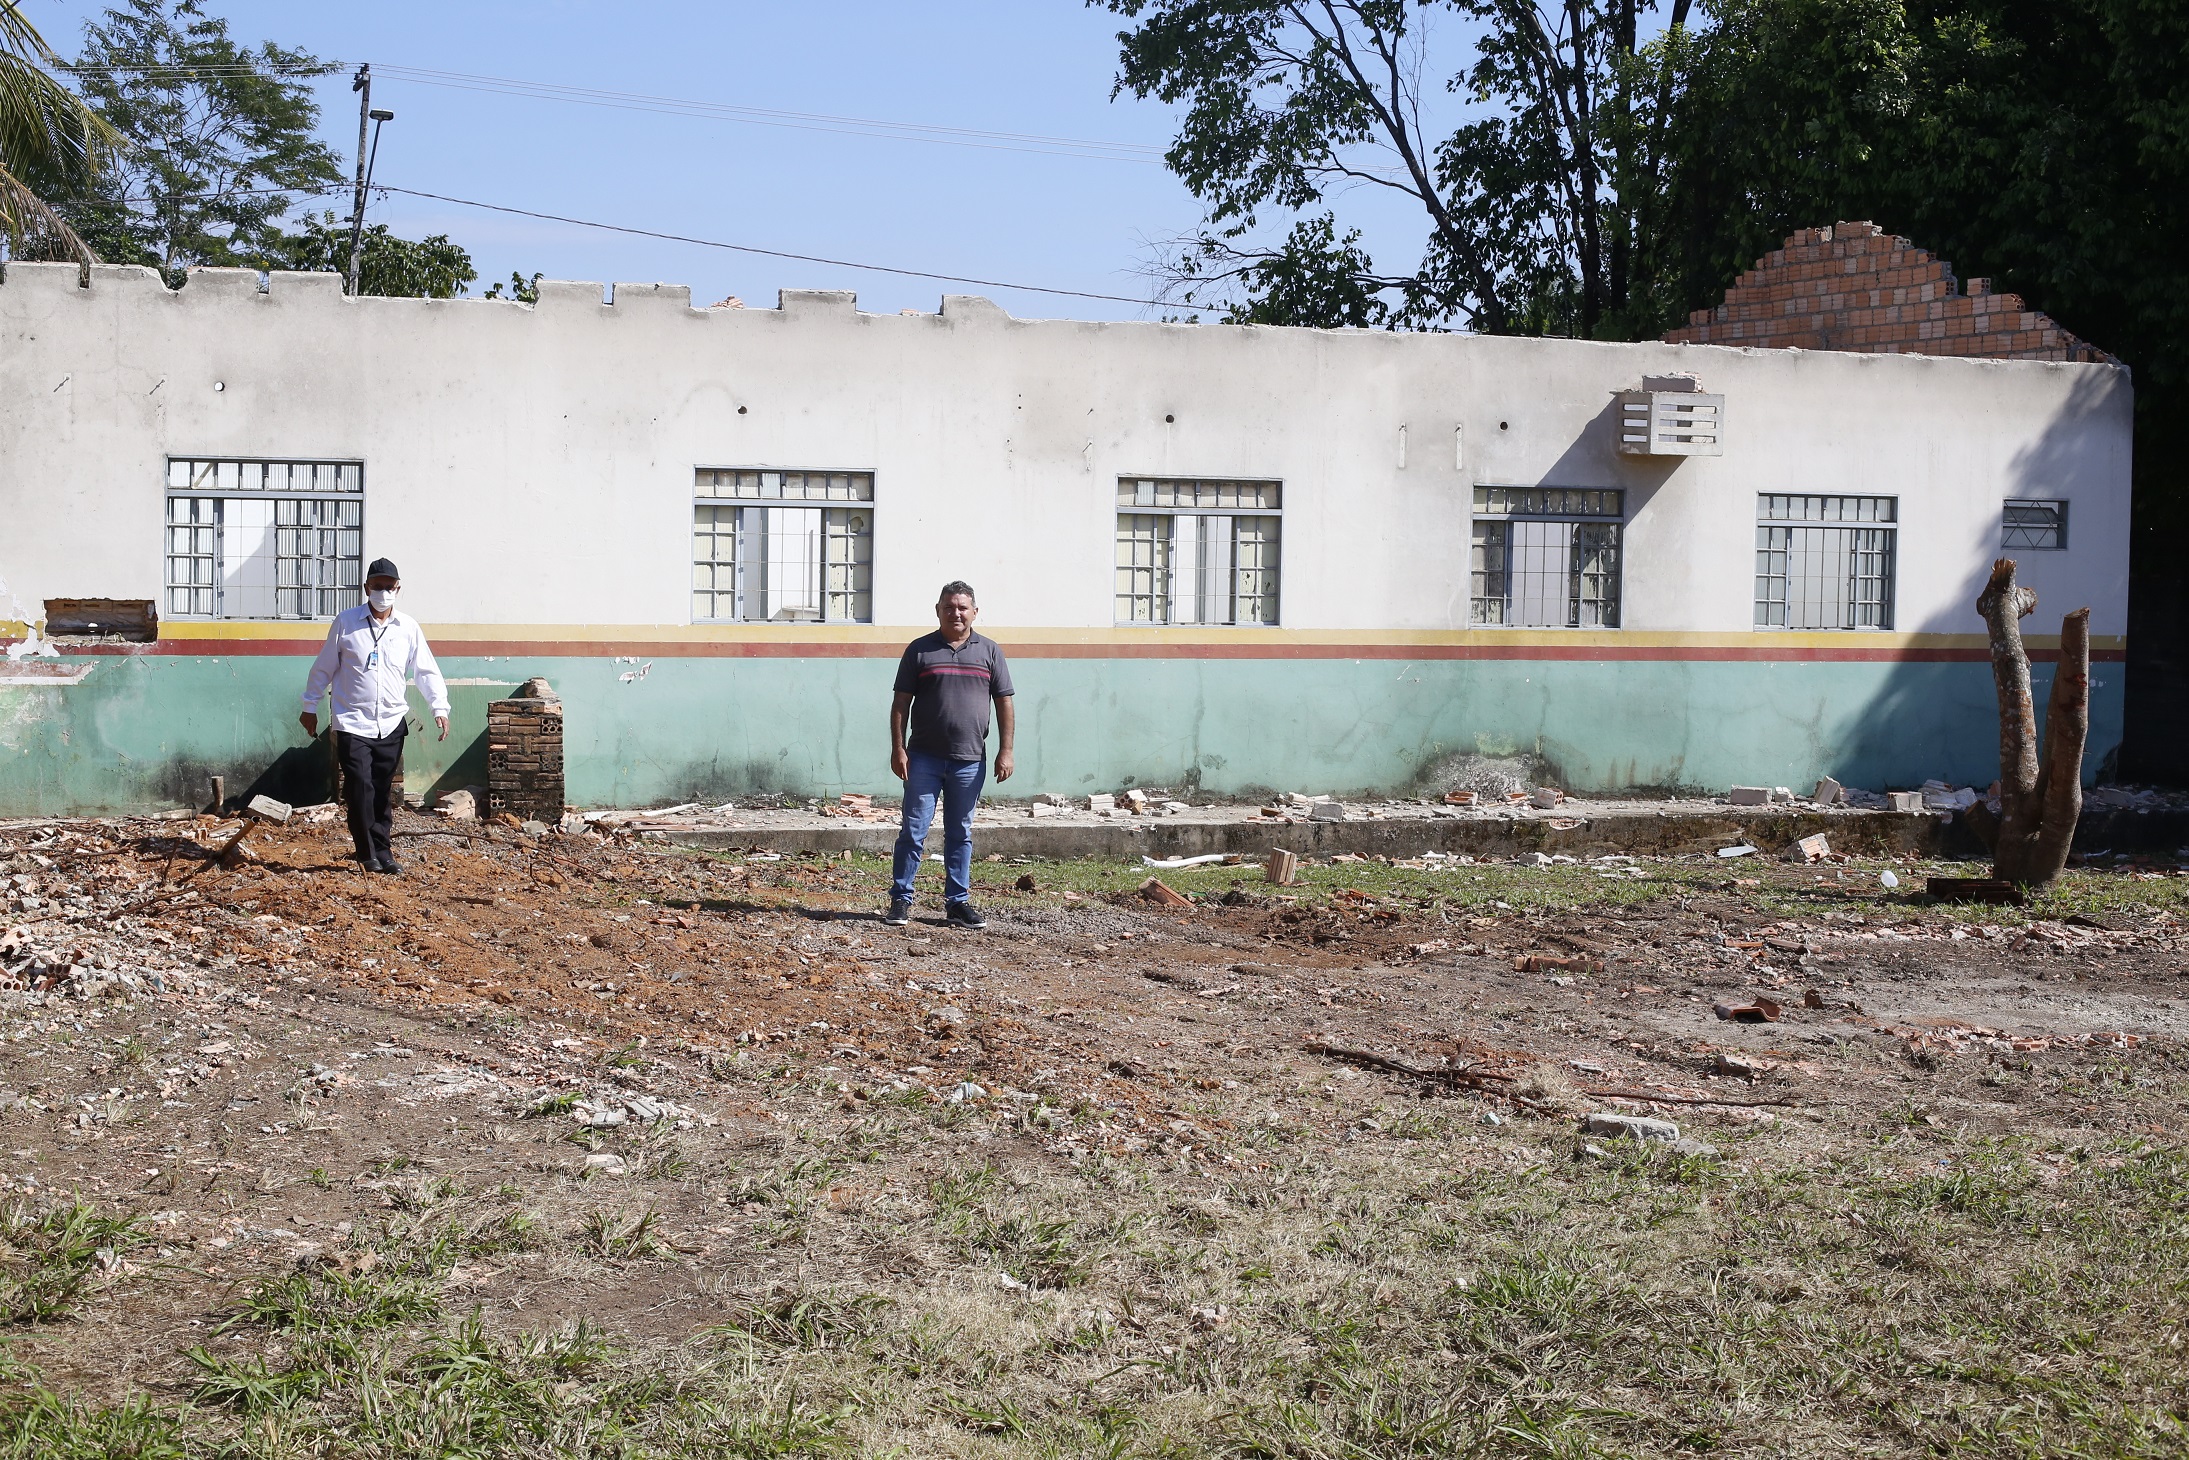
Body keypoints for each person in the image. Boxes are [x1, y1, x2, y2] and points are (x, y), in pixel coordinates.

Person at [299, 558, 448, 875]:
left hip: (391, 723)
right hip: (353, 721)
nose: (383, 592)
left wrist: (439, 707)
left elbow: (425, 671)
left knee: (381, 790)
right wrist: (309, 706)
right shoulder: (346, 623)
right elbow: (323, 667)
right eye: (377, 586)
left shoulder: (408, 628)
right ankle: (367, 853)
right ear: (367, 588)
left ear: (398, 589)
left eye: (389, 587)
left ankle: (384, 851)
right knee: (360, 788)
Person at [886, 581, 1014, 928]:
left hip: (969, 760)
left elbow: (1004, 702)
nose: (956, 613)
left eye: (962, 607)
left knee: (960, 833)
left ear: (975, 612)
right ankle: (900, 900)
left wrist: (1006, 750)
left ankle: (958, 903)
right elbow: (901, 703)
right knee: (913, 831)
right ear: (938, 610)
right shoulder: (919, 650)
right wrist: (898, 748)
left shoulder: (990, 651)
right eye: (949, 607)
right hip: (922, 759)